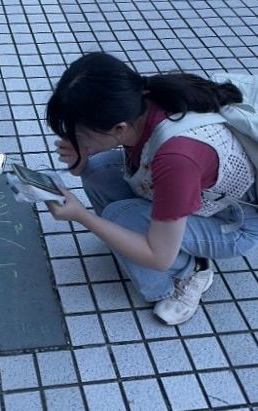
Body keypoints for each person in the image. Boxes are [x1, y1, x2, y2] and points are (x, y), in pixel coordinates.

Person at [45, 51, 258, 325]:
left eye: (81, 135)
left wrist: (83, 217)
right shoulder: (141, 101)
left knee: (121, 217)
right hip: (202, 197)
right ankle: (130, 237)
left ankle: (187, 273)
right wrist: (81, 160)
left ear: (119, 128)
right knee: (97, 170)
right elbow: (102, 166)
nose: (73, 139)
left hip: (234, 225)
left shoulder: (177, 157)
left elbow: (159, 256)